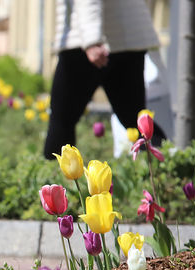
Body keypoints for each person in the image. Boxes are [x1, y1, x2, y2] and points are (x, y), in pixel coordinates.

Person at [43, 0, 167, 159]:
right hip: (128, 38)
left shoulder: (91, 41)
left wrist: (92, 40)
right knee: (135, 120)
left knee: (61, 121)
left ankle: (51, 180)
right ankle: (168, 170)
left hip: (85, 42)